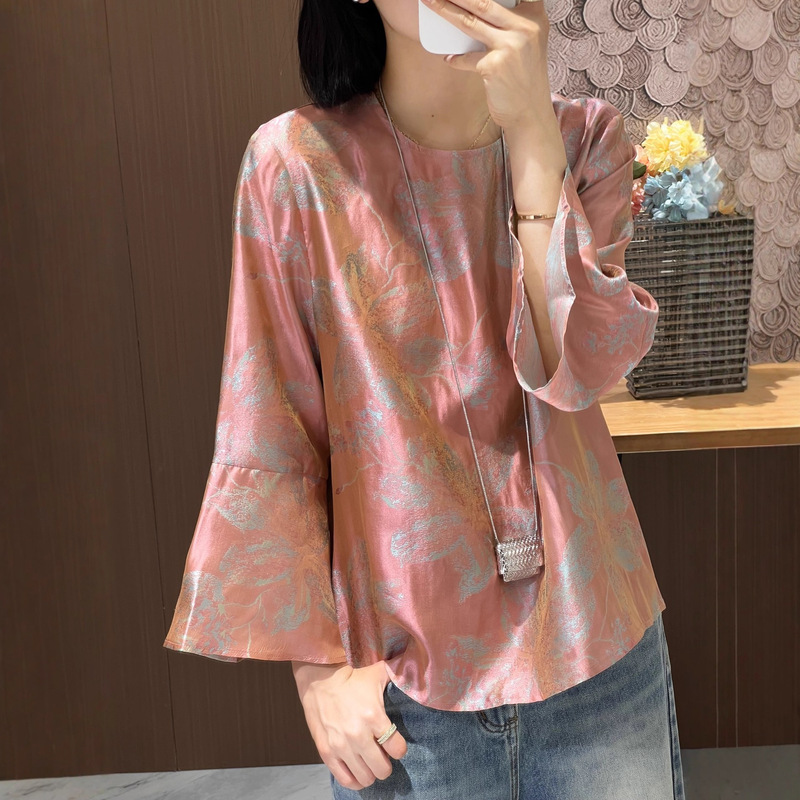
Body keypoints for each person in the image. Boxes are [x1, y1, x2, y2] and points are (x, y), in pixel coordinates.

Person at [163, 0, 686, 797]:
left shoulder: (584, 139)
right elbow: (270, 425)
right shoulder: (296, 165)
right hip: (406, 689)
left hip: (596, 653)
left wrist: (533, 142)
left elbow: (580, 369)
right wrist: (318, 671)